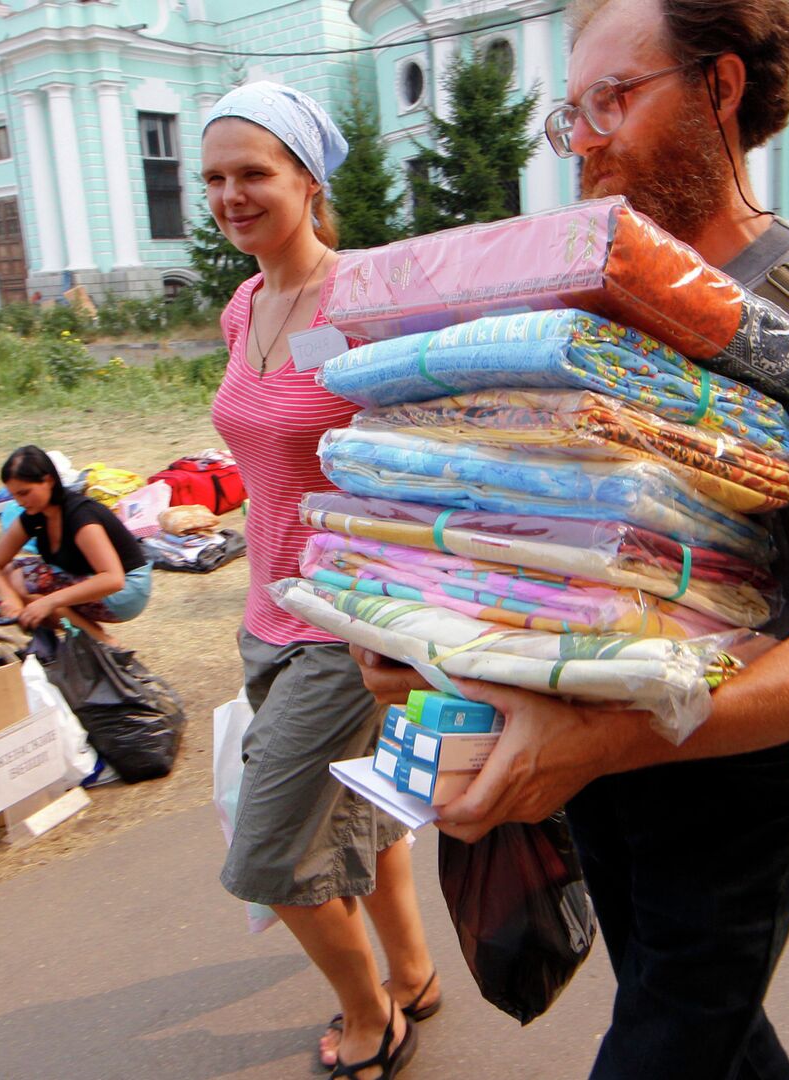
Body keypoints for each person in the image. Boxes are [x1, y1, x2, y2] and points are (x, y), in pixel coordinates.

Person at [355, 1, 789, 1075]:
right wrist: (427, 634)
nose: (584, 138)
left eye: (613, 101)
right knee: (700, 1023)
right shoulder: (598, 313)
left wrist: (611, 740)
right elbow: (544, 542)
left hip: (735, 779)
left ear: (720, 90)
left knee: (667, 1042)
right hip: (588, 764)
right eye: (569, 112)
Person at [203, 82, 436, 1080]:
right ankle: (414, 973)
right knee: (361, 809)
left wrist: (395, 622)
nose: (230, 193)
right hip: (267, 612)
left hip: (350, 618)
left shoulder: (368, 301)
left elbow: (419, 455)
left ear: (306, 178)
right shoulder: (243, 304)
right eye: (214, 177)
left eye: (253, 172)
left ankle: (371, 1017)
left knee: (268, 853)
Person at [0, 445, 153, 641]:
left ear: (49, 481)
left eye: (25, 493)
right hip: (96, 579)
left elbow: (113, 579)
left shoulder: (80, 516)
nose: (19, 501)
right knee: (9, 575)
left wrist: (49, 602)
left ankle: (103, 642)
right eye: (15, 495)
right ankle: (86, 635)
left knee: (24, 581)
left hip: (128, 591)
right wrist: (9, 599)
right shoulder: (35, 513)